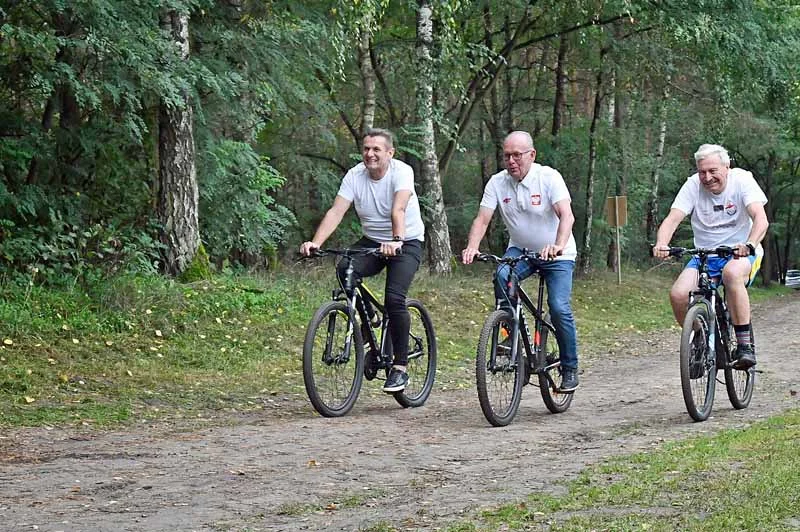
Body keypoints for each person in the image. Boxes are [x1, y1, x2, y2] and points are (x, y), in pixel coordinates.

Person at [300, 128, 425, 392]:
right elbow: (336, 211)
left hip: (406, 240)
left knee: (394, 299)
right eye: (366, 149)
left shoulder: (402, 172)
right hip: (372, 241)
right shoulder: (355, 176)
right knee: (345, 268)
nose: (370, 154)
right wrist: (316, 242)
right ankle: (369, 326)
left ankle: (400, 368)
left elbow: (398, 208)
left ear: (389, 153)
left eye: (376, 149)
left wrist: (397, 239)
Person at [462, 131, 580, 392]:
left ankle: (569, 367)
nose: (512, 161)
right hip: (521, 250)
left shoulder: (548, 177)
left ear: (531, 155)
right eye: (507, 155)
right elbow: (482, 219)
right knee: (502, 275)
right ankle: (509, 332)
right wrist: (472, 247)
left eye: (517, 155)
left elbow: (567, 216)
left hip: (557, 253)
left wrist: (558, 245)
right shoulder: (497, 183)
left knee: (558, 307)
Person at [653, 143, 769, 369]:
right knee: (678, 294)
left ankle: (744, 345)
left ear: (726, 167)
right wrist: (662, 243)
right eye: (702, 171)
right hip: (705, 254)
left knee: (731, 274)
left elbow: (761, 219)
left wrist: (749, 243)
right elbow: (672, 219)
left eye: (713, 171)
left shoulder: (742, 180)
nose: (707, 177)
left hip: (741, 253)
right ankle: (700, 339)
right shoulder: (692, 185)